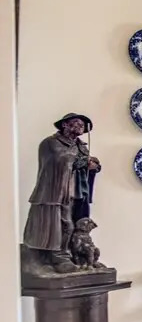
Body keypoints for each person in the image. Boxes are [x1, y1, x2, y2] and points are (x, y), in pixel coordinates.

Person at [22, 113, 101, 272]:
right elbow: (60, 160)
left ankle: (75, 256)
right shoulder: (51, 143)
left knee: (75, 224)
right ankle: (59, 256)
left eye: (82, 125)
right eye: (77, 123)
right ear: (65, 124)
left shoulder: (81, 146)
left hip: (76, 193)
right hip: (55, 193)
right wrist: (83, 161)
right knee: (63, 225)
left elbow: (84, 164)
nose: (80, 126)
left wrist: (94, 165)